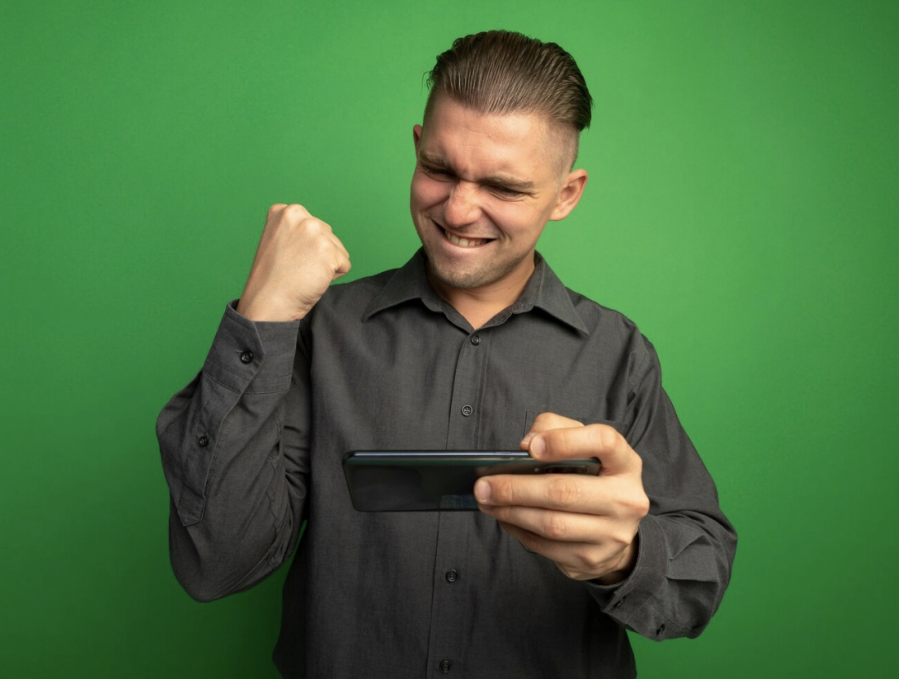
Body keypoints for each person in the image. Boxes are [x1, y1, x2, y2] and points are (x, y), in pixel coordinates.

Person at [157, 29, 736, 679]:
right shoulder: (321, 333)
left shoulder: (618, 354)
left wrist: (622, 557)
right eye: (439, 169)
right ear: (416, 146)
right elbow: (216, 563)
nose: (458, 210)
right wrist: (259, 316)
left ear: (566, 194)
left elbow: (697, 586)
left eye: (504, 187)